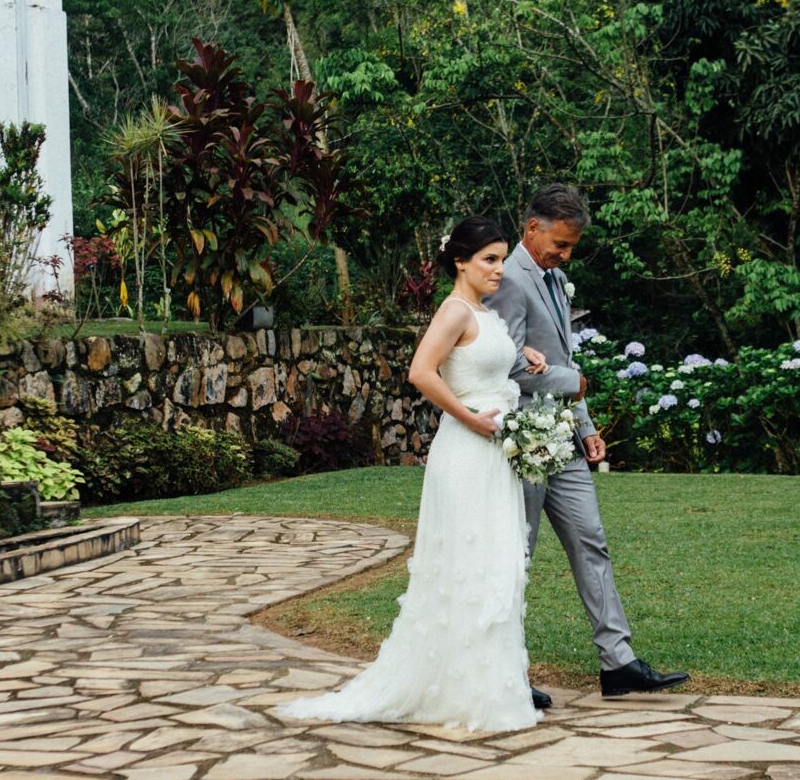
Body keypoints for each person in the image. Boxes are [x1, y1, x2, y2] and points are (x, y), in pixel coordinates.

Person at [276, 217, 544, 731]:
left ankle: (487, 689)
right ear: (460, 261)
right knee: (469, 564)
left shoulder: (485, 313)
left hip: (494, 456)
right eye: (489, 258)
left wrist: (522, 355)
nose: (498, 268)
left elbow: (480, 366)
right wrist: (469, 418)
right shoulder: (453, 310)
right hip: (467, 452)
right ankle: (467, 696)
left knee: (496, 565)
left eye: (501, 258)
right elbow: (421, 371)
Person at [487, 183, 689, 700]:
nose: (565, 254)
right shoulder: (508, 279)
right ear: (532, 228)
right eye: (561, 243)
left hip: (562, 438)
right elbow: (507, 366)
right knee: (520, 553)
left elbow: (563, 362)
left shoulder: (554, 278)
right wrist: (569, 386)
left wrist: (586, 424)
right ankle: (506, 671)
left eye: (571, 246)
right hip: (523, 442)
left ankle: (617, 663)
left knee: (591, 541)